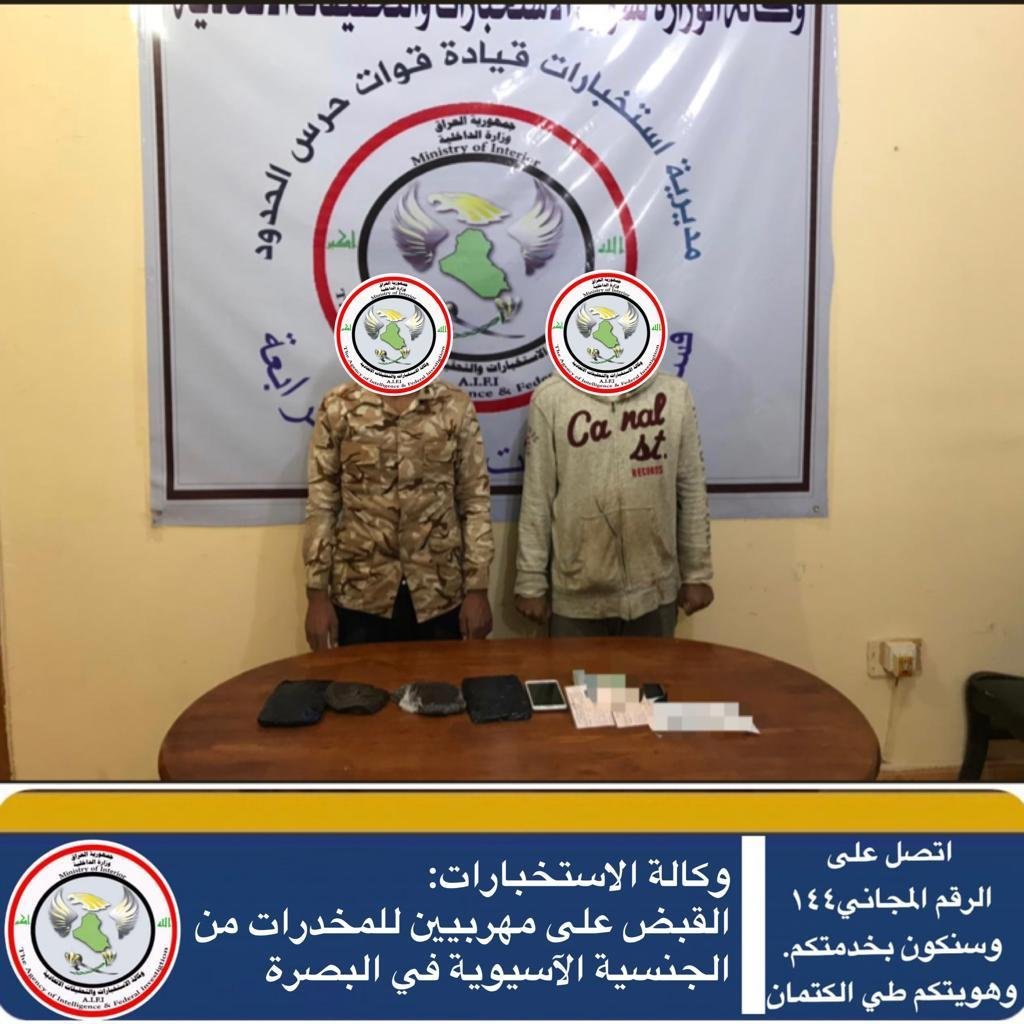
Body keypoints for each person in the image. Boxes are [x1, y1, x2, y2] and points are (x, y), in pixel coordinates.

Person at [514, 373, 713, 637]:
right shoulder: (551, 397)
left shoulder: (675, 394)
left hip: (654, 593)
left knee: (653, 667)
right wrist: (530, 582)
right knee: (574, 668)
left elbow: (691, 488)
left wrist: (696, 573)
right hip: (577, 599)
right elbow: (537, 496)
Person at [303, 380, 494, 648]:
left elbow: (475, 501)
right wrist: (317, 596)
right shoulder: (339, 405)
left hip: (438, 596)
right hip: (360, 596)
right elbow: (322, 506)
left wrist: (478, 590)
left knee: (443, 678)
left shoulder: (454, 404)